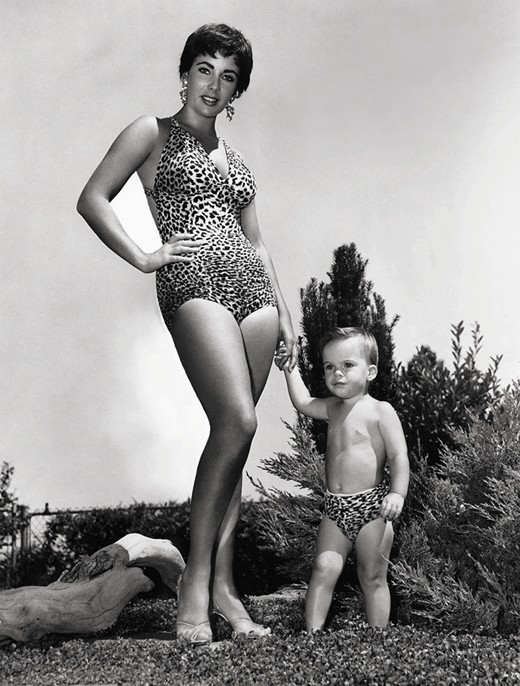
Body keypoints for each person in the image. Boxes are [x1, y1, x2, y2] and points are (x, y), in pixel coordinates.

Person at [77, 23, 297, 646]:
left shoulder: (236, 158)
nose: (214, 84)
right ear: (184, 74)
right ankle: (195, 586)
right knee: (238, 422)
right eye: (205, 69)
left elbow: (257, 242)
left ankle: (224, 588)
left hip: (254, 295)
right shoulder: (151, 132)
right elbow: (93, 198)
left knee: (234, 444)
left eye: (229, 77)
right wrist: (145, 256)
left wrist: (286, 314)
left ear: (237, 92)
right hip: (193, 282)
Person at [275, 327, 409, 630]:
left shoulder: (381, 411)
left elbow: (399, 456)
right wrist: (289, 368)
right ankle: (311, 636)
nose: (337, 373)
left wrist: (397, 494)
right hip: (335, 509)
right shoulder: (332, 408)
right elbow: (302, 402)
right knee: (323, 568)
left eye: (347, 365)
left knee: (372, 575)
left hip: (372, 509)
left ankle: (379, 639)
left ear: (370, 371)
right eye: (329, 367)